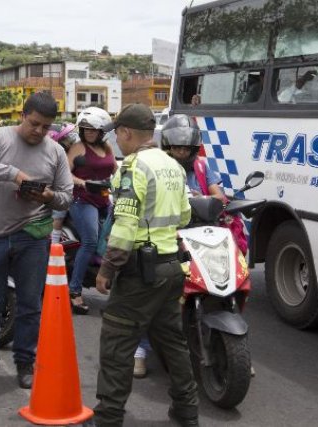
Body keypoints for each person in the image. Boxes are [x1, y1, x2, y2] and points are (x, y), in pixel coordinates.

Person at [90, 103, 198, 427]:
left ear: (125, 132)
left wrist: (107, 268)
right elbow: (184, 216)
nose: (116, 143)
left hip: (140, 273)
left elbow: (124, 226)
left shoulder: (133, 167)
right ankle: (186, 412)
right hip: (171, 269)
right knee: (173, 343)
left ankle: (107, 420)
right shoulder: (173, 166)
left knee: (116, 344)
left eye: (117, 136)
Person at [0, 92, 73, 389]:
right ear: (23, 115)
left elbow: (66, 197)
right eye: (35, 123)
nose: (39, 131)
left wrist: (48, 195)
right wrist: (15, 175)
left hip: (33, 238)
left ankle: (25, 363)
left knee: (29, 305)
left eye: (46, 127)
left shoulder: (56, 152)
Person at [66, 107, 117, 315]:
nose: (89, 132)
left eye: (93, 130)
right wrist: (84, 183)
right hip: (82, 200)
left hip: (105, 200)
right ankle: (75, 291)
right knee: (90, 241)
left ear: (102, 132)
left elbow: (117, 169)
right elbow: (65, 173)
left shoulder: (107, 147)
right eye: (85, 129)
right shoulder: (78, 148)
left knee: (118, 242)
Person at [49, 123, 78, 244]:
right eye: (64, 138)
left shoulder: (70, 151)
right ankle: (54, 244)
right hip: (59, 191)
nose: (69, 140)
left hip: (73, 191)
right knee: (59, 216)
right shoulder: (55, 155)